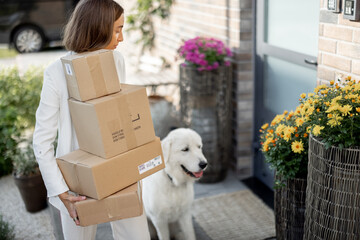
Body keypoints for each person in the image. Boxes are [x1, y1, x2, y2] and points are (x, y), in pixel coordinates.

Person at [32, 0, 150, 239]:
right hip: (77, 180)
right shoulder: (56, 72)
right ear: (98, 28)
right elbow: (42, 140)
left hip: (119, 169)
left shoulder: (116, 61)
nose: (122, 38)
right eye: (117, 30)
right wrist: (60, 191)